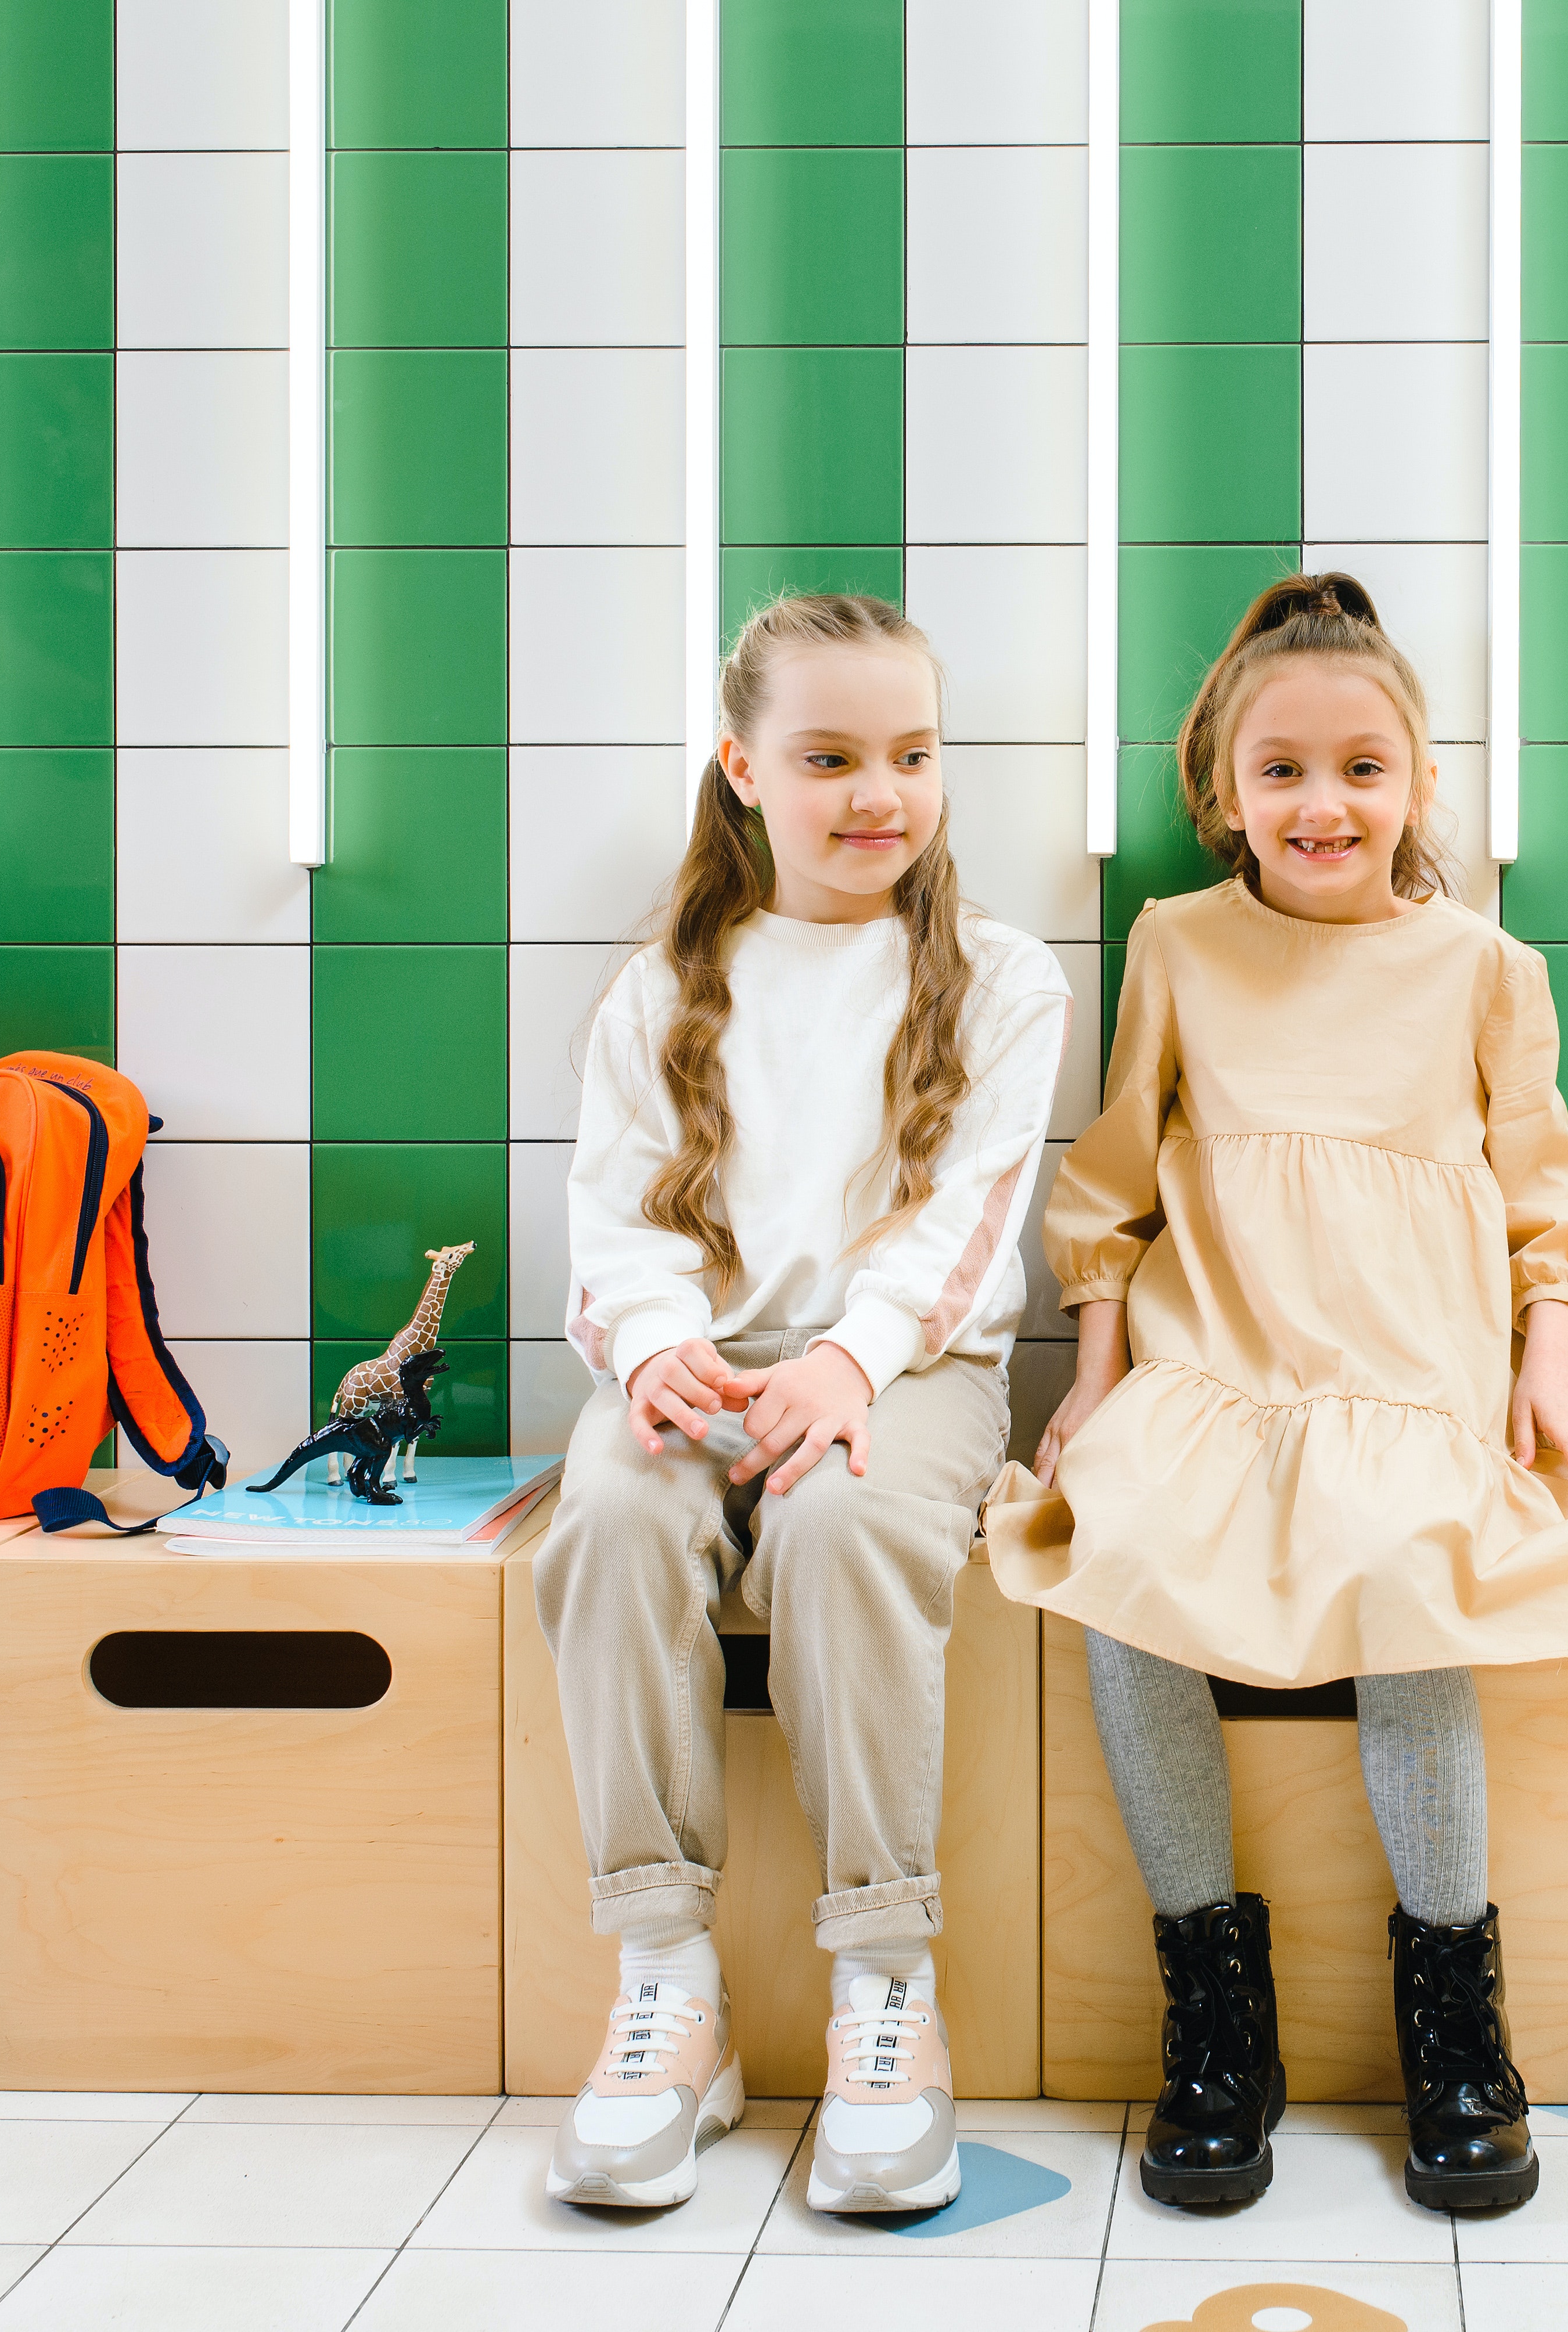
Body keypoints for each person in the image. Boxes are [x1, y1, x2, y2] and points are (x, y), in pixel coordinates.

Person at [986, 573, 1568, 2213]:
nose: (1325, 805)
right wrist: (1095, 1376)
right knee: (1118, 1571)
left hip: (1409, 1379)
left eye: (1362, 769)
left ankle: (1456, 2013)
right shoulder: (1177, 946)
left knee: (1411, 1582)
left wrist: (1550, 1365)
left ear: (1422, 784)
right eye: (1284, 773)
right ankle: (1213, 2009)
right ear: (1224, 794)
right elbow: (1110, 1187)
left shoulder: (1482, 965)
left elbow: (1546, 1195)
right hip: (1218, 1369)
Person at [534, 593, 1067, 2214]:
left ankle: (884, 1992)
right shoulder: (663, 986)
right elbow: (612, 1218)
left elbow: (975, 1221)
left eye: (911, 754)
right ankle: (667, 1993)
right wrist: (651, 1350)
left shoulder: (998, 976)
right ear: (741, 765)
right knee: (615, 1516)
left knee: (838, 1525)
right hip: (705, 1361)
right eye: (828, 755)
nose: (876, 795)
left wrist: (848, 1359)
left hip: (909, 1370)